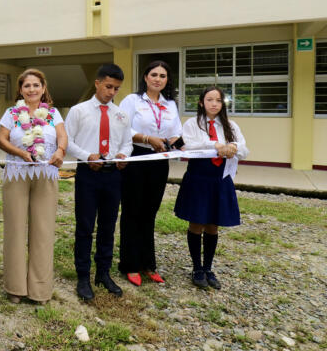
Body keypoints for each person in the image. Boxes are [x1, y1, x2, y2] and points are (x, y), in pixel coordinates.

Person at [0, 69, 67, 304]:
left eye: (36, 85)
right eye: (27, 86)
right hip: (17, 173)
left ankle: (39, 290)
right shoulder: (11, 113)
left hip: (45, 174)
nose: (32, 89)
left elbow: (62, 137)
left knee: (43, 231)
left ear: (43, 88)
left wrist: (60, 151)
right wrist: (19, 152)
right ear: (21, 89)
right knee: (15, 229)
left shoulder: (53, 113)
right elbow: (1, 140)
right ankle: (15, 287)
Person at [64, 64, 132, 302]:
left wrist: (124, 155)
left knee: (108, 225)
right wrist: (86, 156)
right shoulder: (79, 111)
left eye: (116, 89)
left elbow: (127, 141)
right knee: (84, 226)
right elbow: (68, 141)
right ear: (97, 83)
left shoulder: (121, 114)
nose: (112, 92)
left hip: (113, 175)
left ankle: (103, 272)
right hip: (88, 173)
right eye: (108, 86)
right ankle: (83, 275)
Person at [174, 86, 248, 290]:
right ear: (201, 102)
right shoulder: (192, 123)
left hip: (220, 179)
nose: (214, 103)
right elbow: (187, 145)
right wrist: (215, 144)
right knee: (197, 222)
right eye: (209, 99)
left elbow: (244, 148)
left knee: (213, 224)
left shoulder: (230, 125)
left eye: (218, 100)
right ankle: (196, 268)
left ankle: (208, 267)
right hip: (199, 177)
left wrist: (234, 148)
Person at [118, 61, 182, 286]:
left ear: (167, 80)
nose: (158, 79)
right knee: (132, 211)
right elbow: (123, 127)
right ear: (145, 77)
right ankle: (129, 264)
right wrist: (147, 139)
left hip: (159, 161)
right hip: (136, 157)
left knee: (150, 212)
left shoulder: (170, 104)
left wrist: (181, 143)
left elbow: (175, 133)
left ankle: (148, 264)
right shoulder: (132, 101)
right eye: (153, 74)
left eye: (162, 76)